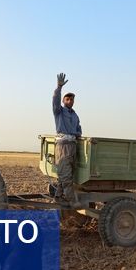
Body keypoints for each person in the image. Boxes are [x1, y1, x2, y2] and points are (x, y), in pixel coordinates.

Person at [52, 73, 82, 207]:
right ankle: (72, 200)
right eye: (67, 99)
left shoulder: (75, 115)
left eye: (72, 99)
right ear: (64, 101)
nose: (70, 101)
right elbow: (55, 100)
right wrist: (59, 88)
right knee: (66, 175)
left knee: (66, 173)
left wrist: (77, 134)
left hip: (72, 146)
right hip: (63, 146)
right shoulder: (59, 111)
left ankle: (58, 196)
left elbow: (79, 129)